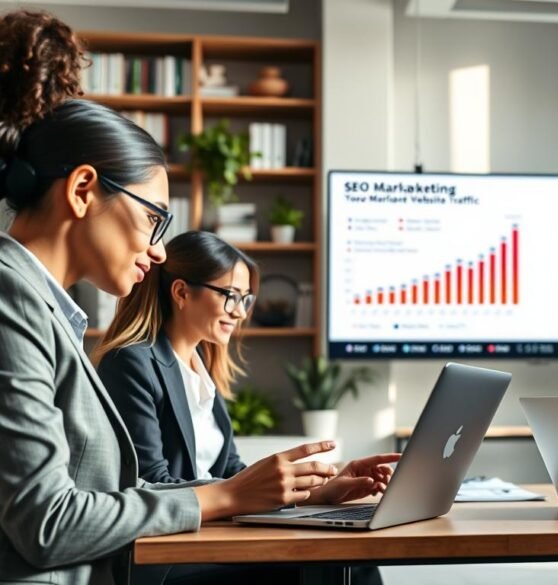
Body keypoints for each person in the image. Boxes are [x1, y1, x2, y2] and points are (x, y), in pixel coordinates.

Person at [0, 10, 389, 585]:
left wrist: (301, 491)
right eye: (152, 219)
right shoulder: (12, 299)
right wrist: (227, 496)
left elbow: (121, 491)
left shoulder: (46, 309)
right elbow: (48, 522)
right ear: (83, 191)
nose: (159, 250)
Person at [94, 231, 396, 583]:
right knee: (338, 564)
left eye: (245, 299)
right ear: (181, 292)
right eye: (230, 296)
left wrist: (318, 491)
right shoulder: (132, 362)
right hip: (168, 556)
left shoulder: (202, 365)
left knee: (351, 557)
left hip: (211, 537)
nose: (239, 312)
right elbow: (150, 484)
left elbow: (231, 471)